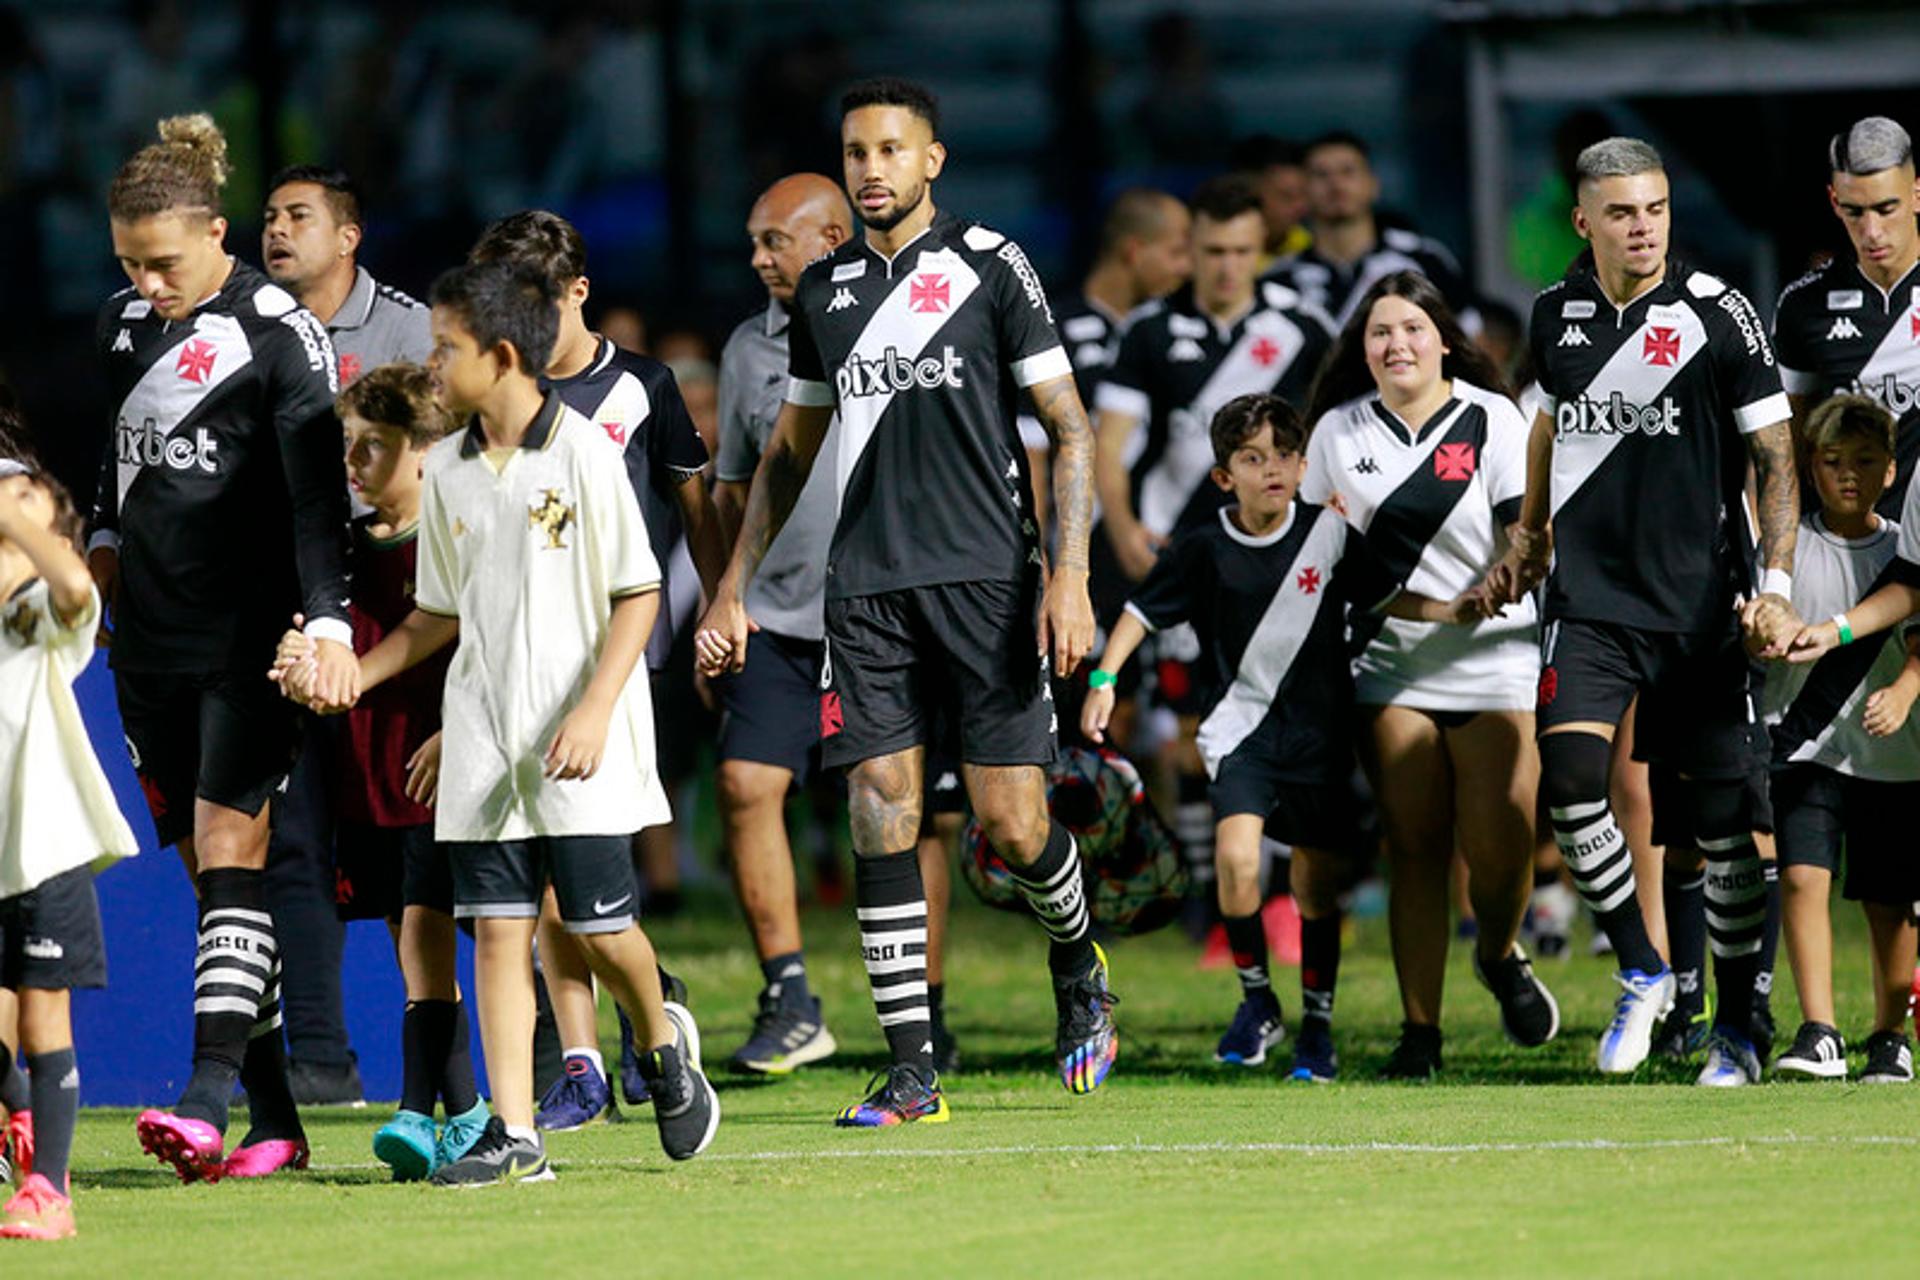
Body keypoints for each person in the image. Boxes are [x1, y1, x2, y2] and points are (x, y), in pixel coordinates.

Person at [697, 77, 1115, 1124]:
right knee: (879, 807)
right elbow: (791, 451)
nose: (872, 167)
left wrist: (1068, 576)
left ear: (932, 160)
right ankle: (913, 1067)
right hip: (866, 591)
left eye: (891, 150)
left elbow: (1069, 427)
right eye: (856, 151)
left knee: (1013, 826)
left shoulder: (990, 266)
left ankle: (1078, 962)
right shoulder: (824, 293)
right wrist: (733, 589)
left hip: (987, 581)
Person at [280, 259, 718, 1181]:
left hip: (580, 737)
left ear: (504, 353)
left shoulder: (584, 455)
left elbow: (638, 595)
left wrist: (596, 711)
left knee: (601, 932)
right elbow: (440, 612)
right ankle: (516, 1135)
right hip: (484, 740)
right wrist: (361, 674)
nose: (431, 365)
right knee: (502, 927)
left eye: (446, 349)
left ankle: (661, 1039)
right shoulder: (450, 473)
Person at [1498, 136, 1800, 1084]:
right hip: (1590, 601)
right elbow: (1547, 418)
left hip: (1703, 605)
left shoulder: (1718, 314)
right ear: (1582, 221)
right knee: (1573, 775)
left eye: (1656, 209)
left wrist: (1778, 585)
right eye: (1622, 213)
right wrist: (1531, 531)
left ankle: (1742, 1030)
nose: (1643, 228)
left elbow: (1779, 459)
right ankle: (1643, 968)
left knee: (1719, 829)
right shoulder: (1556, 314)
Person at [96, 114, 356, 1180]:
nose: (148, 282)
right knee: (216, 881)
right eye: (129, 262)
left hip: (247, 639)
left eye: (163, 261)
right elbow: (116, 464)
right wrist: (104, 553)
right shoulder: (118, 325)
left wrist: (327, 615)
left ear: (213, 231)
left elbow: (314, 495)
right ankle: (278, 1116)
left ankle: (203, 1097)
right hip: (145, 642)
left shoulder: (279, 328)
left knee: (232, 843)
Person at [1082, 392, 1446, 1080]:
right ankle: (1257, 1001)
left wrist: (1455, 608)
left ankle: (1317, 1028)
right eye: (1253, 458)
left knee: (1316, 888)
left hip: (1318, 737)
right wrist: (1103, 680)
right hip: (1239, 733)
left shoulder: (1330, 533)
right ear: (1225, 476)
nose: (1271, 469)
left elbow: (1384, 595)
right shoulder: (1203, 546)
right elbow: (1139, 612)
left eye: (1283, 455)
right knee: (1238, 859)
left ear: (1303, 466)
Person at [468, 210, 725, 1123]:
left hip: (620, 669)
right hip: (515, 673)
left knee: (577, 898)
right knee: (543, 892)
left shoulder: (640, 388)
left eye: (531, 298)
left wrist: (723, 610)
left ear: (578, 293)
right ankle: (590, 1057)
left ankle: (650, 1019)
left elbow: (695, 513)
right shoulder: (497, 399)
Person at [1302, 271, 1559, 1078]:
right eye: (1381, 332)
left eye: (1413, 328)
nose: (1397, 344)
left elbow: (1531, 534)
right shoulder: (1338, 432)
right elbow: (1316, 561)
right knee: (1413, 846)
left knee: (1502, 847)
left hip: (1495, 656)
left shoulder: (1493, 418)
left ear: (1444, 339)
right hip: (1391, 662)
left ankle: (1500, 952)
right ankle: (1421, 1035)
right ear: (1363, 349)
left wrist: (1509, 576)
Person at [1093, 174, 1335, 928]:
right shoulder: (1150, 331)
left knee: (1279, 725)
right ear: (1189, 250)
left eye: (1240, 251)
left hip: (1276, 569)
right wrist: (1126, 526)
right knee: (1191, 736)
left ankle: (1278, 900)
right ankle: (1211, 896)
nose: (1227, 266)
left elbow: (1330, 437)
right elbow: (1110, 444)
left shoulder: (1304, 329)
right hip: (1185, 554)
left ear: (1261, 250)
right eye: (1212, 251)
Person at [276, 363, 492, 1176]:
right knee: (412, 942)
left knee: (441, 936)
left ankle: (416, 1110)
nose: (355, 464)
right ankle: (465, 1108)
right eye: (348, 448)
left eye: (375, 447)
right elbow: (322, 652)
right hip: (364, 772)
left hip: (439, 762)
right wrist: (299, 659)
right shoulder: (339, 552)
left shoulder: (457, 538)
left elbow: (481, 638)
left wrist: (456, 727)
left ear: (429, 452)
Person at [260, 161, 434, 1106]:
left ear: (349, 234)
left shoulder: (407, 332)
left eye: (298, 216)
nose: (276, 231)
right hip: (283, 617)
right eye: (268, 217)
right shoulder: (239, 329)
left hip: (397, 607)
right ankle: (319, 1060)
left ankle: (538, 1057)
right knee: (294, 838)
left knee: (428, 850)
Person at [711, 173, 853, 1076]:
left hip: (884, 618)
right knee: (743, 784)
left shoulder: (904, 326)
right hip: (779, 618)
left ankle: (925, 1010)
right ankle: (790, 996)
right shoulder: (747, 350)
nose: (760, 259)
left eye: (777, 241)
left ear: (833, 239)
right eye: (756, 244)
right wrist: (727, 598)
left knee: (904, 815)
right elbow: (732, 488)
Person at [1758, 395, 1917, 1084]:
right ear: (1809, 467)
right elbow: (1762, 614)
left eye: (1864, 462)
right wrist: (1761, 627)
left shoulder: (1903, 551)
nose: (1847, 475)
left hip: (1893, 754)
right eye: (1831, 462)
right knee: (1800, 876)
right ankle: (1819, 1030)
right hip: (1804, 745)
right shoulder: (1789, 548)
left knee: (1891, 899)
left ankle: (1890, 1034)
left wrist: (1908, 688)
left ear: (1890, 472)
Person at [0, 451, 138, 1240]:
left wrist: (24, 514)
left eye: (23, 505)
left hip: (44, 847)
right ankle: (22, 1114)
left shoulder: (46, 616)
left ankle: (47, 1189)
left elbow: (80, 587)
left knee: (45, 1021)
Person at [1773, 117, 1920, 512]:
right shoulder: (1803, 306)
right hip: (1853, 555)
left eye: (1886, 208)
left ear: (1917, 194)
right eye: (1855, 212)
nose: (1871, 231)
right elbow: (1782, 454)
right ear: (1834, 202)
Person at [1264, 131, 1478, 332]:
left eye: (1348, 172)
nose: (1336, 184)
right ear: (1304, 193)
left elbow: (1468, 336)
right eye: (1321, 175)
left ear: (1373, 185)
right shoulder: (1281, 279)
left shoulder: (1425, 260)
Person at [1229, 134, 1312, 269]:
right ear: (1248, 195)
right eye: (1287, 196)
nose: (1301, 207)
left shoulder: (1308, 247)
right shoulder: (1211, 255)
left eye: (1304, 195)